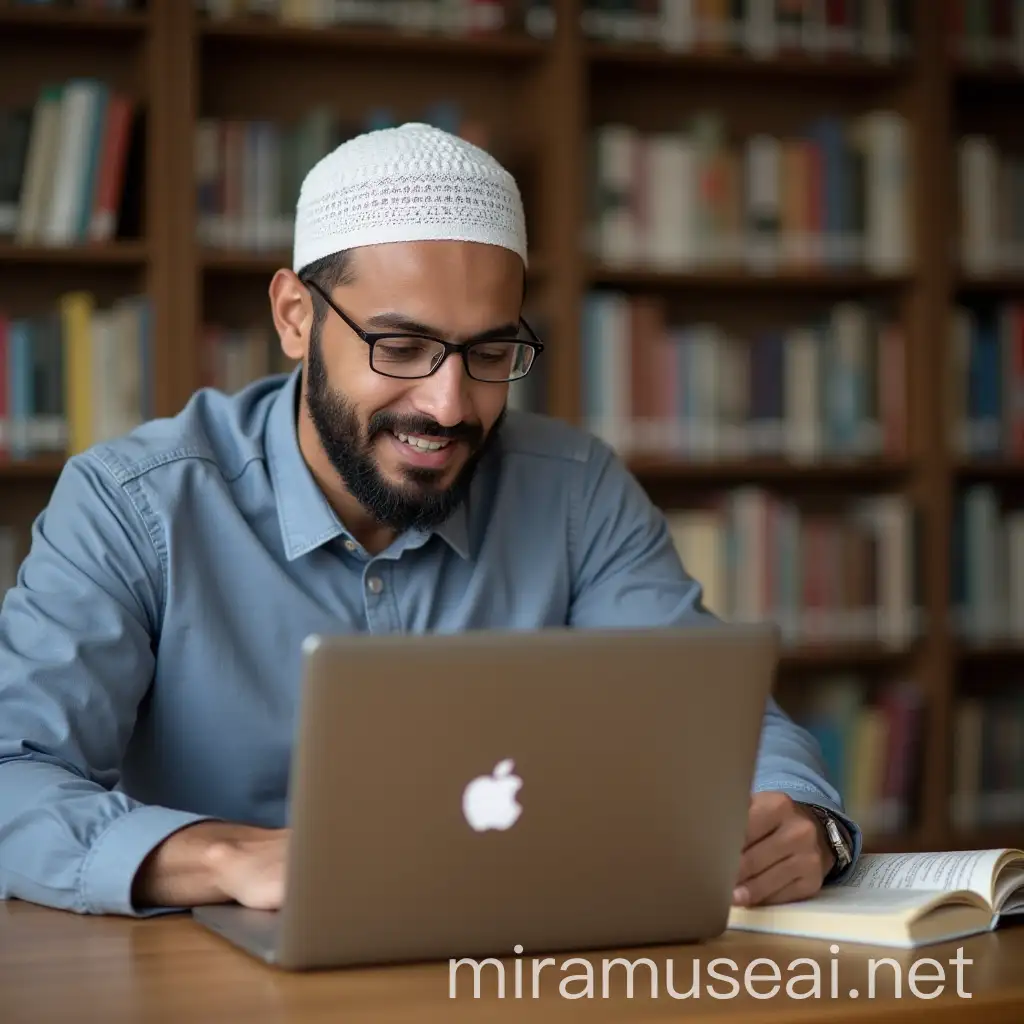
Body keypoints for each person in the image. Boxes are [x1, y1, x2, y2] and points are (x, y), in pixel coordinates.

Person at [0, 123, 858, 919]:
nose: (449, 405)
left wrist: (800, 820)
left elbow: (711, 712)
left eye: (489, 354)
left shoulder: (574, 490)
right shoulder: (132, 504)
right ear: (295, 317)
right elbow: (13, 773)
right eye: (401, 348)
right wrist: (226, 858)